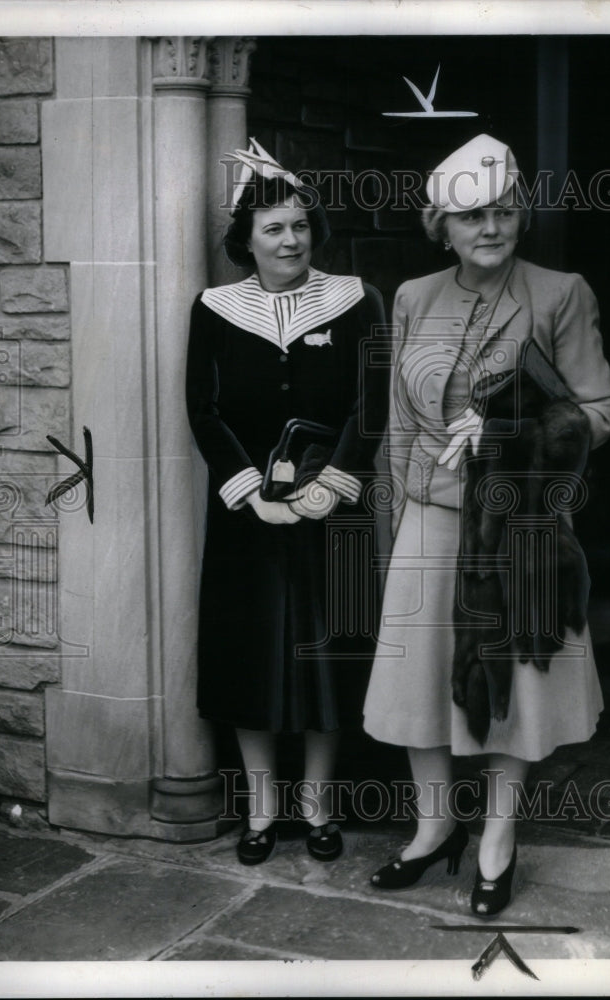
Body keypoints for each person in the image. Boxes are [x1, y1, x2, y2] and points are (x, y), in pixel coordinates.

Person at [363, 134, 610, 915]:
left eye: (503, 211)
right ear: (440, 225)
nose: (491, 227)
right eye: (471, 215)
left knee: (519, 689)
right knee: (417, 685)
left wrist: (509, 432)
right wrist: (391, 523)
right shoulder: (410, 297)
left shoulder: (558, 292)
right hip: (428, 520)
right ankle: (432, 829)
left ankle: (497, 842)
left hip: (516, 528)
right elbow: (398, 427)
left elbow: (599, 410)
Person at [186, 140, 386, 866]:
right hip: (247, 517)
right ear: (246, 239)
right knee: (251, 654)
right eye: (272, 228)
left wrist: (332, 483)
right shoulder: (214, 309)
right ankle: (262, 806)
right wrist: (252, 498)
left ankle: (319, 802)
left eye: (300, 225)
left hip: (334, 508)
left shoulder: (356, 299)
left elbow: (372, 405)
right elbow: (204, 411)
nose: (289, 239)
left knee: (330, 650)